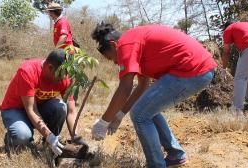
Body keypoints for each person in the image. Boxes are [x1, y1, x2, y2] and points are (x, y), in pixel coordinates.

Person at [90, 23, 217, 168]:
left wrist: (103, 122)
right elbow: (143, 86)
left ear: (114, 45)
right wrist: (119, 115)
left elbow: (125, 88)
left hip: (192, 70)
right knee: (146, 108)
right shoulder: (135, 43)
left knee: (139, 115)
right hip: (198, 70)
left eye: (112, 58)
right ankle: (176, 155)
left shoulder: (126, 43)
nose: (115, 63)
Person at [0, 49, 87, 156]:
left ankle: (50, 145)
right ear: (50, 68)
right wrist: (49, 135)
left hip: (39, 107)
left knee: (61, 107)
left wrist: (76, 137)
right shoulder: (28, 71)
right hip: (15, 110)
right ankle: (11, 140)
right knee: (22, 136)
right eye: (60, 76)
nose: (63, 79)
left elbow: (71, 111)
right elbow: (32, 110)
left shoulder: (64, 75)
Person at [221, 20, 248, 114]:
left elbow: (226, 52)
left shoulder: (229, 29)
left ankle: (237, 109)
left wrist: (223, 69)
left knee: (240, 78)